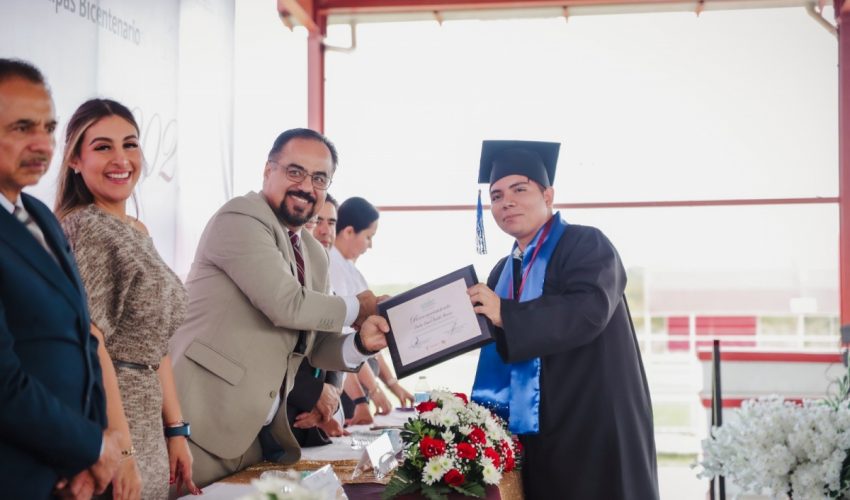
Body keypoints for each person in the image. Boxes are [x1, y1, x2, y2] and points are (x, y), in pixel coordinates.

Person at [168, 128, 389, 487]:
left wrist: (362, 343)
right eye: (295, 172)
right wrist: (360, 307)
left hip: (258, 437)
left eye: (319, 179)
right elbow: (285, 304)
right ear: (268, 170)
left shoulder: (314, 253)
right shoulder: (239, 217)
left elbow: (318, 344)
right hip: (198, 424)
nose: (306, 186)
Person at [468, 140, 658, 500]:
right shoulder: (502, 271)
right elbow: (484, 334)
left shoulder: (587, 245)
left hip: (593, 420)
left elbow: (588, 311)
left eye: (519, 189)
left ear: (548, 195)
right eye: (496, 195)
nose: (506, 202)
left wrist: (505, 312)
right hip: (533, 430)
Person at [55, 98, 200, 499]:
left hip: (148, 421)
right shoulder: (87, 227)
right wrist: (121, 448)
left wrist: (176, 429)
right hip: (112, 421)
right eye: (103, 147)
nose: (121, 159)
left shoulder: (137, 230)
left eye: (130, 144)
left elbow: (155, 343)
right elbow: (91, 339)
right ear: (75, 160)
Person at [0, 58, 121, 499]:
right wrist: (90, 447)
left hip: (69, 473)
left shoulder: (39, 216)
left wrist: (93, 454)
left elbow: (82, 340)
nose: (42, 144)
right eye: (22, 128)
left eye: (48, 128)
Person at [328, 197, 414, 423]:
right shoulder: (332, 267)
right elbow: (344, 339)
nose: (370, 245)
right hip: (347, 388)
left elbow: (373, 341)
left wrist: (393, 386)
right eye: (368, 236)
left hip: (361, 383)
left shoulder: (351, 271)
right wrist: (366, 397)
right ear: (348, 232)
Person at [287, 193, 348, 446]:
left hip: (315, 421)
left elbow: (333, 339)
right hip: (284, 416)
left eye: (331, 222)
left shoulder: (327, 278)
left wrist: (329, 400)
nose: (324, 230)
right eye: (316, 222)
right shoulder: (284, 271)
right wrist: (314, 395)